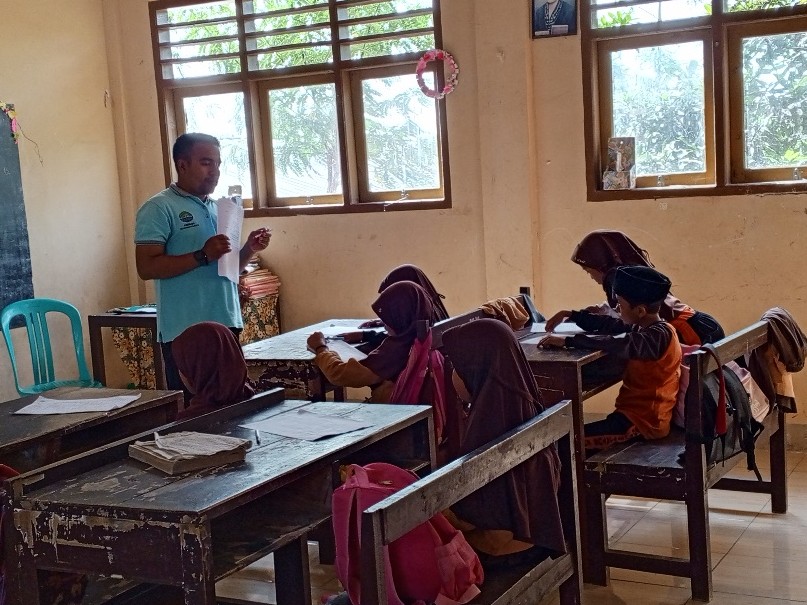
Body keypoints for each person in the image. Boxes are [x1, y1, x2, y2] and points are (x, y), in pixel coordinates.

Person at [134, 132, 271, 392]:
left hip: (226, 324)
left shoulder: (219, 209)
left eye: (218, 164)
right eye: (206, 163)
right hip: (186, 332)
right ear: (182, 165)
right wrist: (202, 255)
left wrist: (249, 249)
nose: (215, 171)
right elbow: (146, 267)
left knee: (233, 404)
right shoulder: (159, 207)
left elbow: (229, 269)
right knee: (195, 409)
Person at [440, 318, 566, 565]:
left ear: (476, 368)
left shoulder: (490, 426)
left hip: (507, 552)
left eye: (457, 365)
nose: (453, 374)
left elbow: (489, 531)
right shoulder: (519, 402)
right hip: (536, 540)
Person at [540, 266, 682, 452]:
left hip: (643, 424)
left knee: (564, 443)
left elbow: (620, 343)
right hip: (632, 418)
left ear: (640, 310)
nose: (616, 309)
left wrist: (569, 341)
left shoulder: (656, 338)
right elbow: (610, 324)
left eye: (620, 305)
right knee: (565, 439)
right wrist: (571, 314)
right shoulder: (647, 328)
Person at [545, 230, 724, 345]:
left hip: (691, 333)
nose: (591, 277)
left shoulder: (617, 278)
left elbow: (619, 330)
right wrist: (576, 315)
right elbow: (616, 317)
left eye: (589, 271)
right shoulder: (630, 273)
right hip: (700, 323)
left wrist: (571, 337)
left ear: (601, 266)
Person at [306, 281, 439, 403]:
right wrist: (365, 335)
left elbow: (340, 375)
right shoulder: (422, 334)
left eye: (388, 318)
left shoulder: (395, 351)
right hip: (416, 405)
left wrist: (321, 348)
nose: (384, 325)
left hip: (394, 411)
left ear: (400, 318)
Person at [171, 321, 256, 420]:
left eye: (182, 365)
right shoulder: (260, 402)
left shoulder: (187, 425)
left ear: (199, 370)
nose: (180, 372)